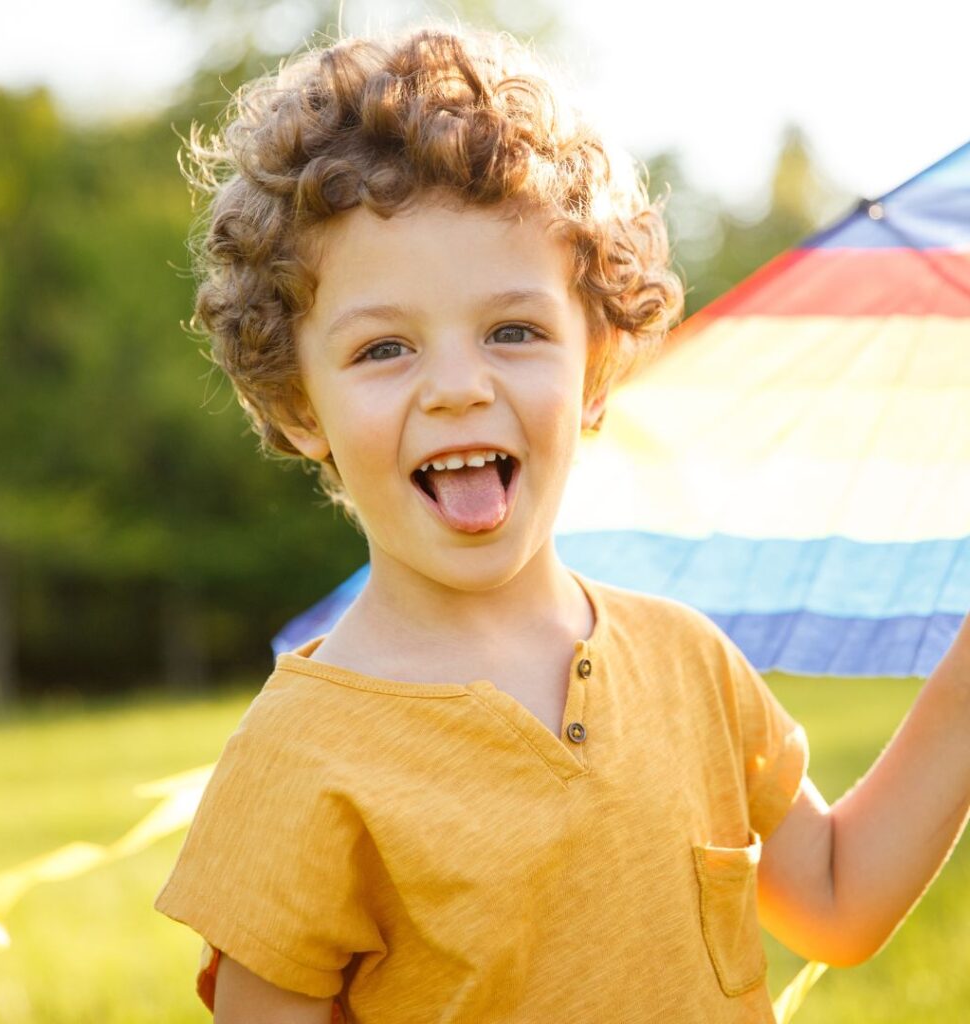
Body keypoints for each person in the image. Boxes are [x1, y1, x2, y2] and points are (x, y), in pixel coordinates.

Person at [154, 24, 970, 1024]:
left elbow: (838, 900)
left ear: (598, 366)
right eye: (384, 349)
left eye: (514, 331)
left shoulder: (690, 663)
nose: (458, 387)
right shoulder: (298, 759)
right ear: (296, 403)